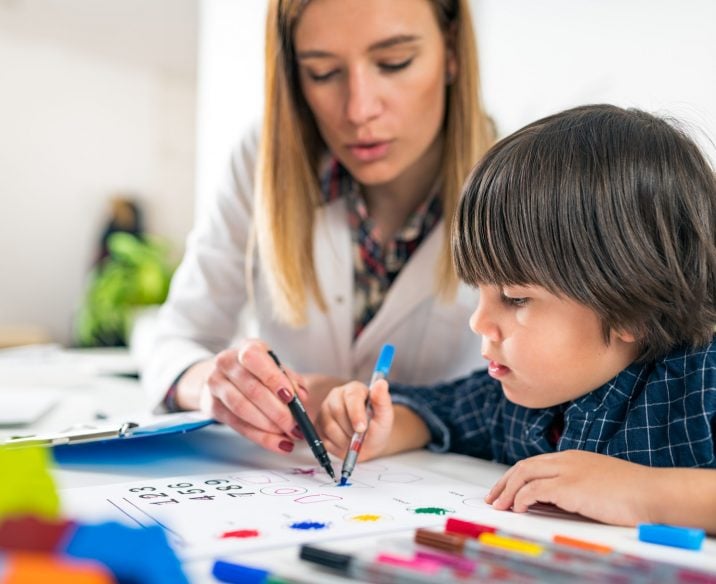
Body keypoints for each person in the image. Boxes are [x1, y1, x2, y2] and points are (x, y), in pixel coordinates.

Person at [315, 104, 716, 531]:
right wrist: (383, 426)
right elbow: (442, 412)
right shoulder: (519, 392)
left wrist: (644, 494)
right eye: (479, 292)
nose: (479, 322)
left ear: (632, 307)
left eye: (515, 298)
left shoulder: (702, 381)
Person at [141, 0, 494, 454]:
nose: (358, 110)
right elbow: (174, 340)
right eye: (323, 72)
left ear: (450, 51)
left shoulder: (528, 185)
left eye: (394, 63)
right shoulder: (262, 162)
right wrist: (216, 387)